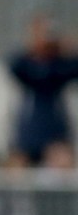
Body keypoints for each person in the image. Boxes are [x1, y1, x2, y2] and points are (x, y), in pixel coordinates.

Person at [8, 15, 78, 163]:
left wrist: (65, 50)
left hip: (56, 129)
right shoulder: (27, 64)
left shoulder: (60, 65)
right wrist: (33, 49)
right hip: (30, 131)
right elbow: (14, 66)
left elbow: (71, 69)